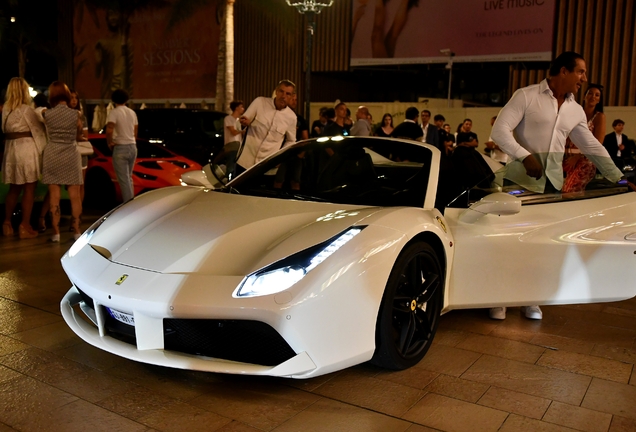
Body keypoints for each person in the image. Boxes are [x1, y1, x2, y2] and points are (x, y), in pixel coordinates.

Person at [490, 51, 623, 321]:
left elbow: (591, 145)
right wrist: (524, 156)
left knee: (541, 245)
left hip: (552, 186)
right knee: (510, 242)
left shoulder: (574, 109)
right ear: (563, 71)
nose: (584, 79)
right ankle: (498, 298)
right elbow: (499, 131)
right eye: (580, 72)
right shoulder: (526, 95)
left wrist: (617, 177)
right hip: (520, 182)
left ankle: (532, 299)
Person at [1, 77, 47, 239]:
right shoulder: (27, 110)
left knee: (14, 188)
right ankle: (24, 225)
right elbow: (39, 131)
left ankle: (7, 223)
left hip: (11, 150)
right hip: (27, 150)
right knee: (29, 188)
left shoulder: (6, 109)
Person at [41, 81, 84, 242]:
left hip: (52, 154)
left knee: (54, 195)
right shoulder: (76, 115)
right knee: (75, 195)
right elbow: (78, 133)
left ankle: (56, 233)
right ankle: (77, 231)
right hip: (70, 154)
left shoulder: (46, 113)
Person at [237, 80, 297, 171]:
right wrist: (244, 122)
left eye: (288, 94)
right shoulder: (260, 102)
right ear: (276, 91)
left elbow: (291, 140)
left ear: (292, 97)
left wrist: (279, 157)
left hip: (268, 166)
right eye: (281, 91)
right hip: (245, 161)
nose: (283, 96)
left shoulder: (292, 117)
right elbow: (245, 118)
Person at [562, 84, 605, 193]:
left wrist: (577, 157)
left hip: (586, 160)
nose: (593, 97)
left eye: (597, 95)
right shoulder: (576, 114)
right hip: (568, 158)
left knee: (570, 190)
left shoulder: (599, 117)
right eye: (590, 93)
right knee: (563, 189)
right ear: (584, 97)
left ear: (599, 100)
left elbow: (597, 143)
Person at [106, 89, 138, 203]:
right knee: (129, 178)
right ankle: (132, 203)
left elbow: (110, 129)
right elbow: (135, 130)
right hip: (132, 146)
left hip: (120, 147)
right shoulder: (132, 112)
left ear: (114, 99)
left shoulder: (114, 112)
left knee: (123, 180)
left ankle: (128, 206)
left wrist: (109, 142)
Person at [222, 100, 245, 180]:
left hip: (238, 144)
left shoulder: (238, 121)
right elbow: (233, 132)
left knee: (236, 165)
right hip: (232, 145)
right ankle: (227, 181)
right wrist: (242, 131)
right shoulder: (228, 118)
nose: (243, 109)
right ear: (236, 108)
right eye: (241, 107)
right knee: (231, 165)